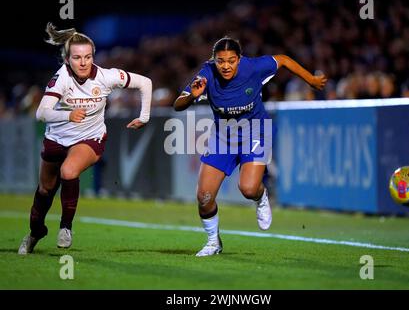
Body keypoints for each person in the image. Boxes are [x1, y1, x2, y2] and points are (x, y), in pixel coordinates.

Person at [174, 37, 327, 257]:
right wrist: (191, 97)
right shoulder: (206, 74)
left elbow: (282, 60)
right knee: (204, 198)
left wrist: (310, 79)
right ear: (214, 60)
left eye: (231, 60)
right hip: (223, 137)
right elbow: (177, 105)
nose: (226, 66)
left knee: (248, 188)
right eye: (220, 61)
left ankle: (261, 196)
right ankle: (213, 242)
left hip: (255, 130)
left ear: (240, 59)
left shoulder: (254, 67)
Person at [18, 23, 152, 254]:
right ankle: (35, 232)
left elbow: (145, 83)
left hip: (90, 138)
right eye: (77, 57)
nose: (83, 62)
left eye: (88, 57)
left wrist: (144, 116)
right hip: (56, 140)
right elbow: (41, 113)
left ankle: (65, 227)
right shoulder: (61, 78)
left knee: (69, 172)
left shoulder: (106, 76)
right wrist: (67, 114)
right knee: (44, 190)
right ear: (67, 58)